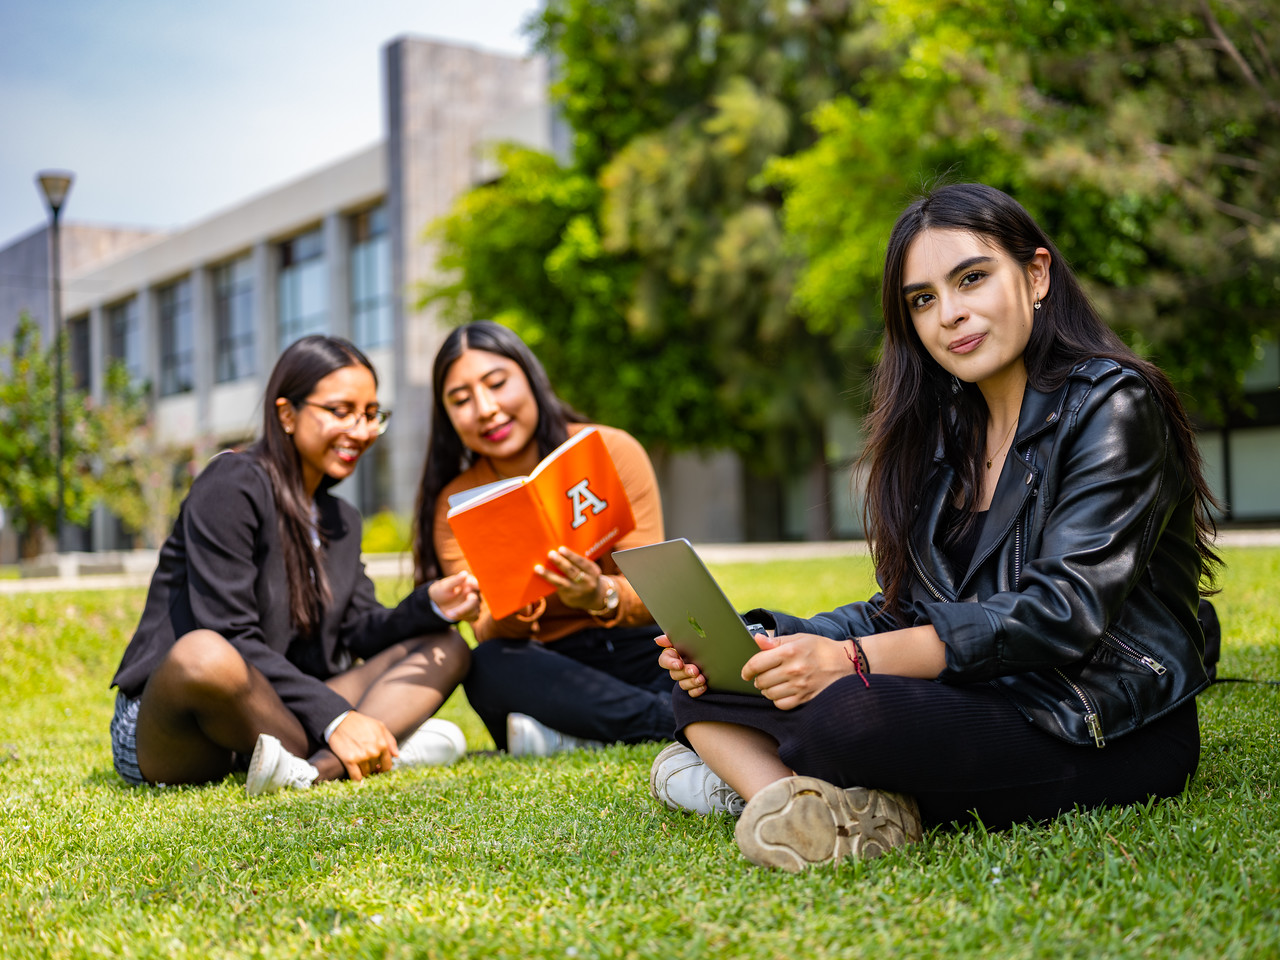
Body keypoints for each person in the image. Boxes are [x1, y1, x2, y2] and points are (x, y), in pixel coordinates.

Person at [650, 183, 1220, 871]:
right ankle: (794, 809)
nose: (950, 315)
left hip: (1102, 720)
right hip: (986, 693)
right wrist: (774, 640)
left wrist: (849, 662)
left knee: (845, 718)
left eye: (971, 279)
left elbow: (1061, 614)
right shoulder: (947, 436)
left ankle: (759, 785)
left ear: (1036, 275)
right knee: (710, 685)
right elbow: (909, 611)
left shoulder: (1115, 404)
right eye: (922, 299)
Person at [110, 335, 479, 795]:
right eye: (340, 411)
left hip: (279, 712)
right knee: (203, 653)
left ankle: (318, 769)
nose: (361, 430)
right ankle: (377, 741)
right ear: (287, 414)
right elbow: (229, 633)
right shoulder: (232, 483)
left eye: (370, 415)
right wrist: (336, 717)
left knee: (447, 646)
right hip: (185, 722)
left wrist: (431, 605)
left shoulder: (341, 519)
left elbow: (360, 629)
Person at [414, 321, 672, 755]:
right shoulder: (455, 504)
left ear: (531, 379)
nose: (486, 408)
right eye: (461, 400)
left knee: (741, 631)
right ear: (448, 417)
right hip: (549, 663)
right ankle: (672, 721)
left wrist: (600, 592)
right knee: (488, 668)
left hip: (639, 647)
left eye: (497, 384)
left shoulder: (610, 450)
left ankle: (574, 735)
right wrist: (516, 596)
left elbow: (657, 594)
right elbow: (487, 629)